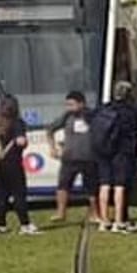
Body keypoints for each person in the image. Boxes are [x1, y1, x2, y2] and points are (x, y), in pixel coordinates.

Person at [45, 91, 100, 224]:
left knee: (92, 188)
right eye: (67, 104)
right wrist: (53, 147)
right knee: (63, 185)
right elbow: (50, 129)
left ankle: (95, 213)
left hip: (89, 157)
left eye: (72, 104)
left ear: (81, 104)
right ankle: (60, 212)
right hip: (69, 157)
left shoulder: (92, 116)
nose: (69, 107)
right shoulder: (66, 116)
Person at [0, 95, 39, 235]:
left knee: (1, 194)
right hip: (12, 162)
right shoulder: (16, 122)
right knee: (19, 194)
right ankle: (25, 224)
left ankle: (0, 226)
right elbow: (20, 142)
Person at [96, 81, 137, 233]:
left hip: (103, 151)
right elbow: (134, 131)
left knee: (104, 184)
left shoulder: (104, 108)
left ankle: (104, 220)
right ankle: (119, 220)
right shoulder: (129, 111)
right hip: (122, 151)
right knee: (119, 186)